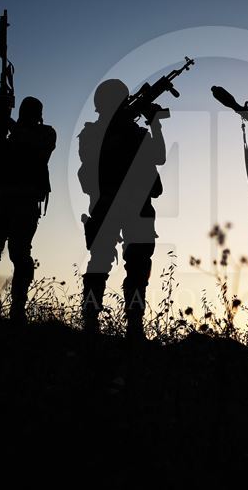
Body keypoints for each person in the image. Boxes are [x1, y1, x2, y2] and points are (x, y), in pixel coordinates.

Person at [78, 79, 166, 340]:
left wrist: (155, 124)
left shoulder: (136, 132)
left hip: (137, 205)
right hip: (109, 203)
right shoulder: (93, 133)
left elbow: (159, 156)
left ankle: (134, 324)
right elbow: (91, 160)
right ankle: (91, 321)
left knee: (138, 266)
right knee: (100, 263)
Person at [0, 96, 57, 323]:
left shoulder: (46, 134)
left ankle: (17, 310)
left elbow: (36, 147)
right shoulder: (8, 139)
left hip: (24, 204)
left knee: (20, 256)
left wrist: (8, 124)